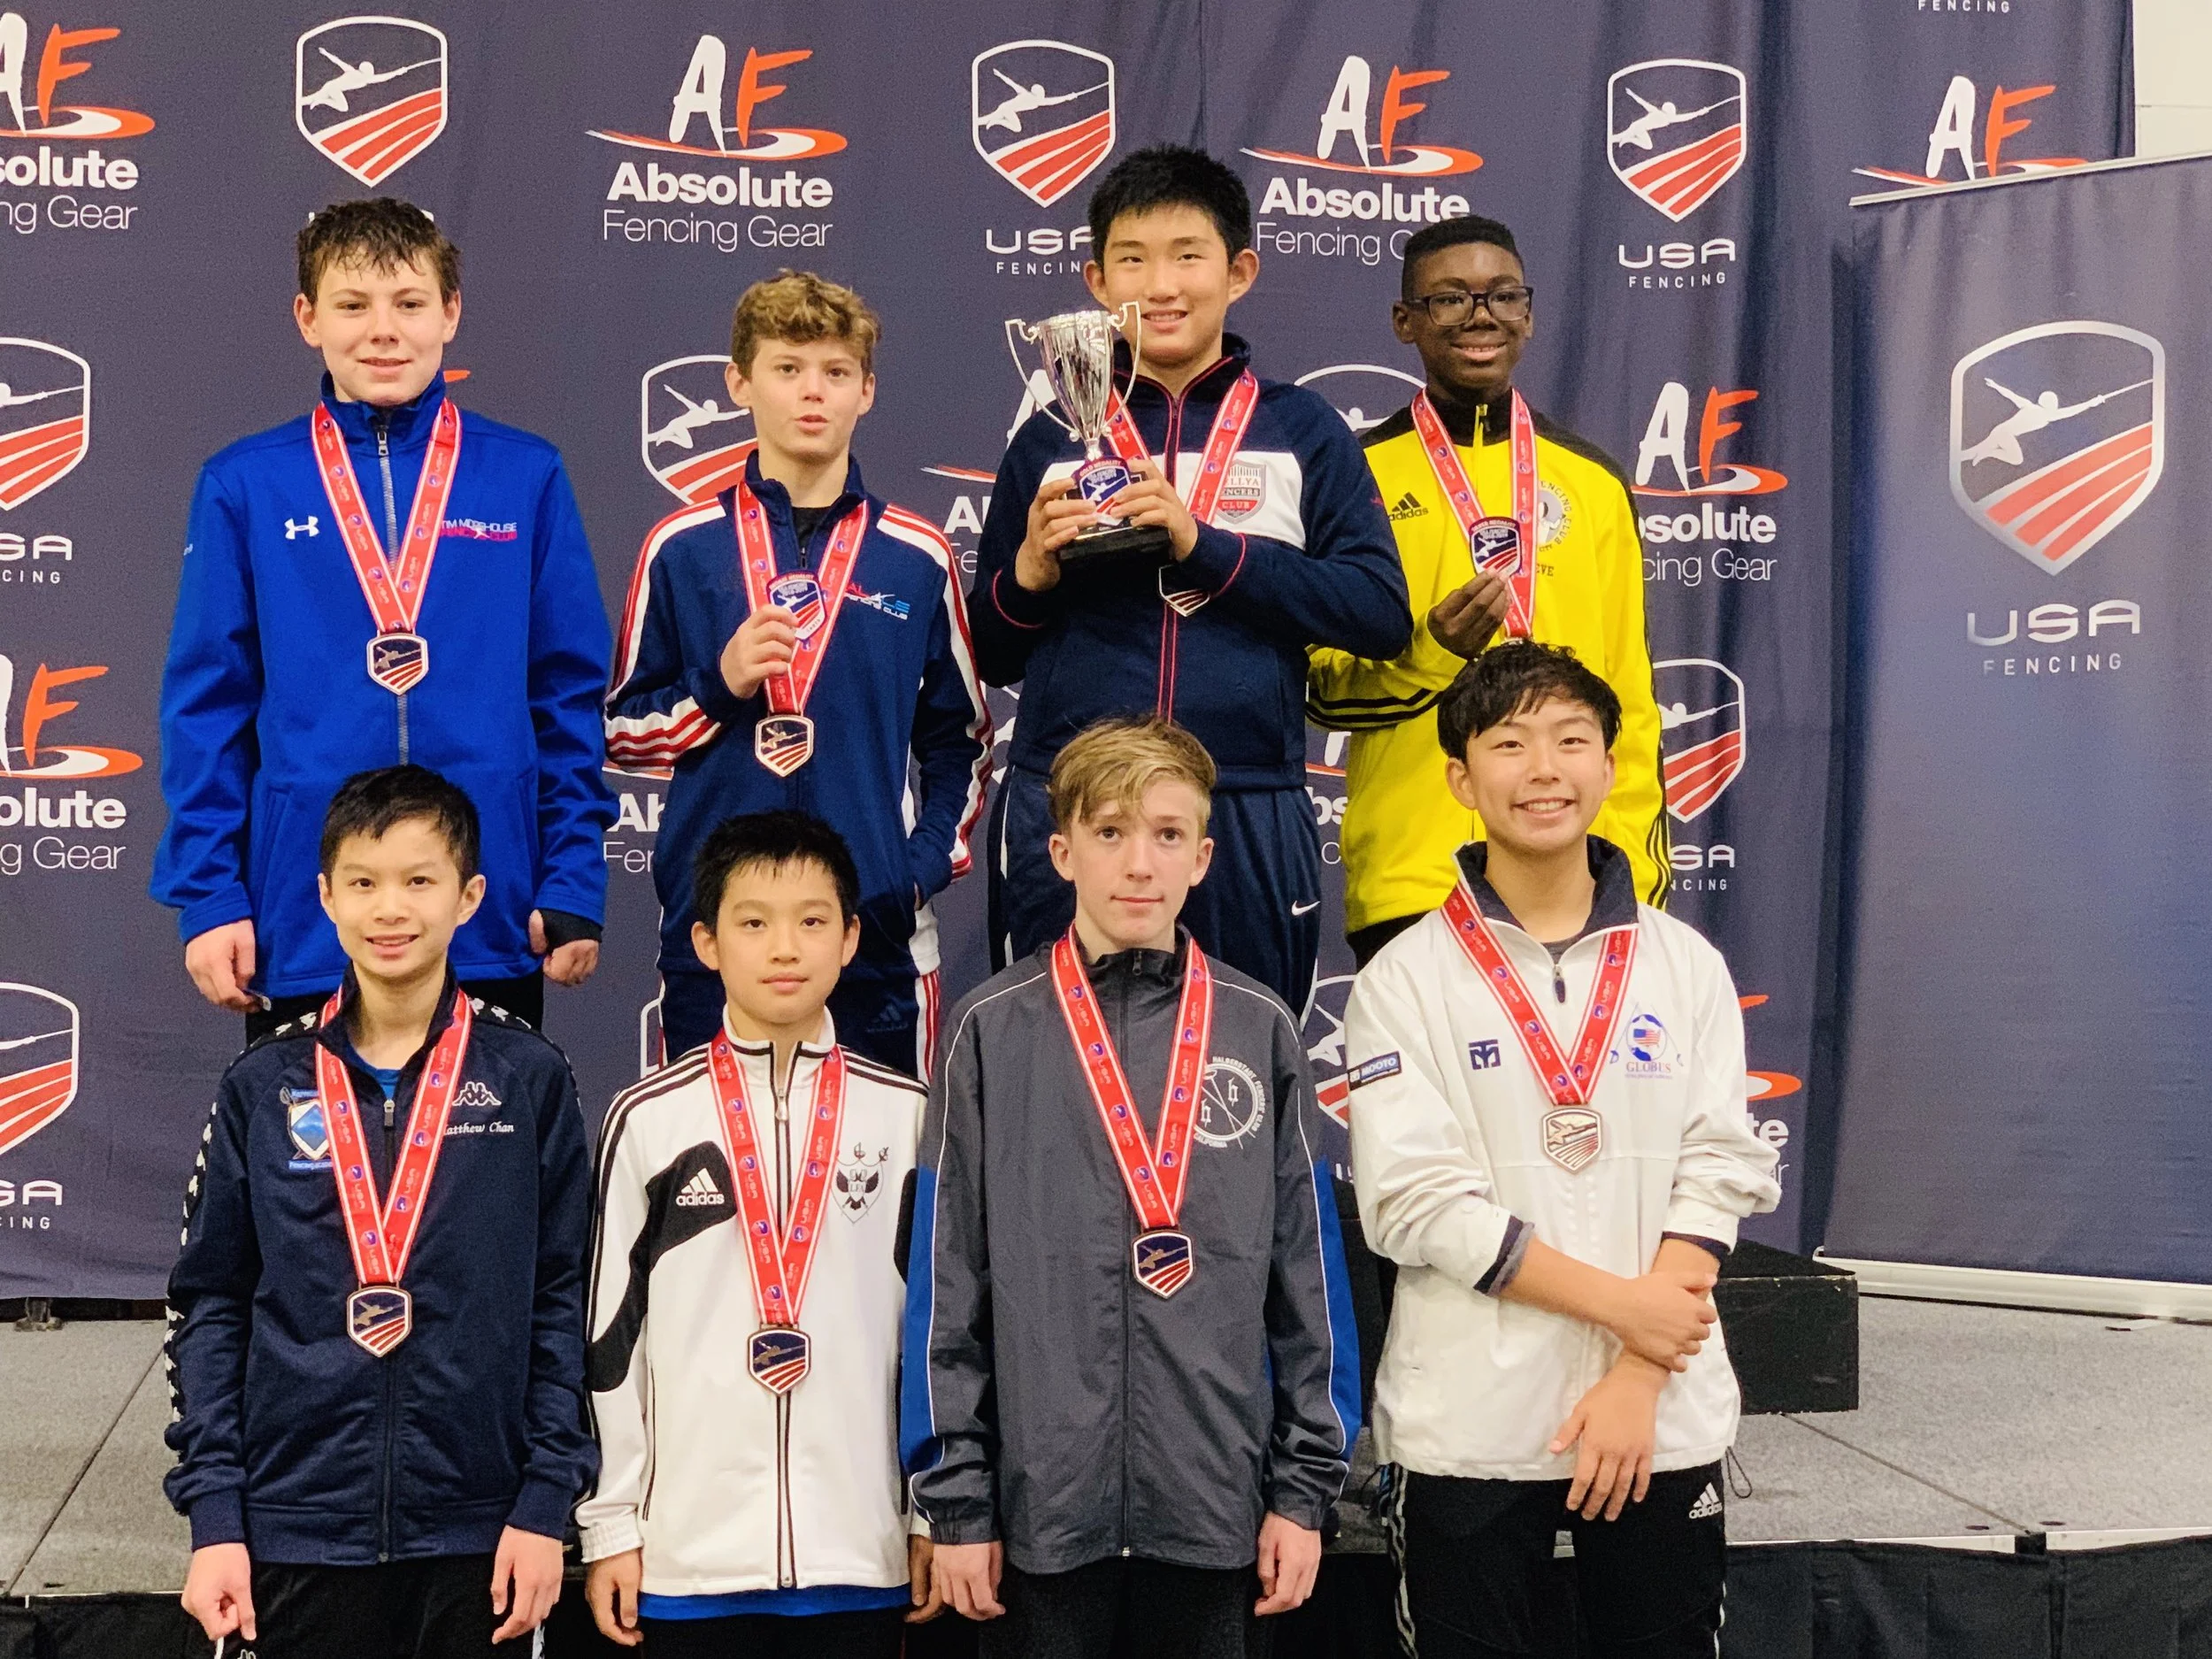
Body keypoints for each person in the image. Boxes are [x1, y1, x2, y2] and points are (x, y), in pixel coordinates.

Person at [1342, 642, 1779, 1658]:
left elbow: (1721, 1166)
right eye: (1509, 744)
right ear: (1460, 779)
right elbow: (1413, 1206)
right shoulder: (1403, 981)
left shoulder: (1686, 965)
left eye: (1570, 740)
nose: (1543, 769)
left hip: (1658, 1419)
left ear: (1609, 766)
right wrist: (1627, 1310)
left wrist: (1638, 1370)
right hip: (1474, 1430)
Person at [905, 717, 1360, 1657]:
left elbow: (1308, 1281)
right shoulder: (988, 1031)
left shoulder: (1259, 1027)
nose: (1139, 863)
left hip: (1217, 1511)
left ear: (1202, 857)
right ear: (1061, 852)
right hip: (1039, 1516)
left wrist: (1303, 1494)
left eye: (1166, 833)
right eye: (1110, 832)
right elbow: (945, 1288)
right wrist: (958, 1502)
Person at [153, 196, 613, 1039]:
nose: (383, 331)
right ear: (308, 318)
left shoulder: (526, 476)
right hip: (310, 909)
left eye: (408, 303)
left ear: (451, 313)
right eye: (352, 305)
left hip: (487, 902)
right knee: (316, 1132)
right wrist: (211, 894)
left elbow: (567, 695)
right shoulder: (245, 483)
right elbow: (208, 706)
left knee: (483, 1127)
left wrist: (573, 873)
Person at [969, 143, 1410, 1017]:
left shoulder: (1303, 430)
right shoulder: (1051, 437)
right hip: (1073, 804)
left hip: (1242, 802)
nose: (1161, 285)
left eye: (1187, 256)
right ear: (1097, 281)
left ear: (1239, 272)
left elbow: (1377, 612)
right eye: (1133, 260)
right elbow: (989, 652)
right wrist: (1028, 575)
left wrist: (1205, 546)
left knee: (1247, 1058)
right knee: (1052, 1064)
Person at [165, 765, 595, 1658]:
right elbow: (210, 1306)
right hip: (297, 1524)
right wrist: (216, 1518)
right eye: (363, 882)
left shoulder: (530, 1078)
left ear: (469, 896)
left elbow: (565, 1299)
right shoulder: (263, 1085)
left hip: (485, 1529)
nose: (390, 908)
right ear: (325, 897)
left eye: (419, 879)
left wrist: (545, 1500)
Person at [607, 271, 990, 1077]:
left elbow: (963, 741)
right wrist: (718, 684)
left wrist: (912, 872)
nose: (813, 391)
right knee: (715, 1151)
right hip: (719, 931)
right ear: (739, 383)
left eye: (836, 371)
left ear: (867, 391)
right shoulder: (681, 547)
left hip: (872, 932)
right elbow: (623, 731)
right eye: (787, 368)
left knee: (884, 1151)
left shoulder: (918, 555)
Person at [580, 810, 941, 1656]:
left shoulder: (907, 1117)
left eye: (812, 921)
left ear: (850, 939)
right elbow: (609, 1341)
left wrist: (929, 1509)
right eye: (753, 922)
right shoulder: (648, 1119)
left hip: (862, 1554)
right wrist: (612, 1524)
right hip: (688, 1564)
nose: (785, 948)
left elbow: (936, 1336)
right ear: (705, 942)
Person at [1309, 214, 1667, 971]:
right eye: (1449, 299)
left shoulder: (1594, 482)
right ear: (1405, 320)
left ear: (1528, 316)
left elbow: (1631, 706)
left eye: (1503, 296)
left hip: (1575, 884)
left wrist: (1631, 880)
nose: (1480, 316)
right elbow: (1319, 689)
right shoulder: (1354, 475)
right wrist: (1433, 653)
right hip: (1416, 879)